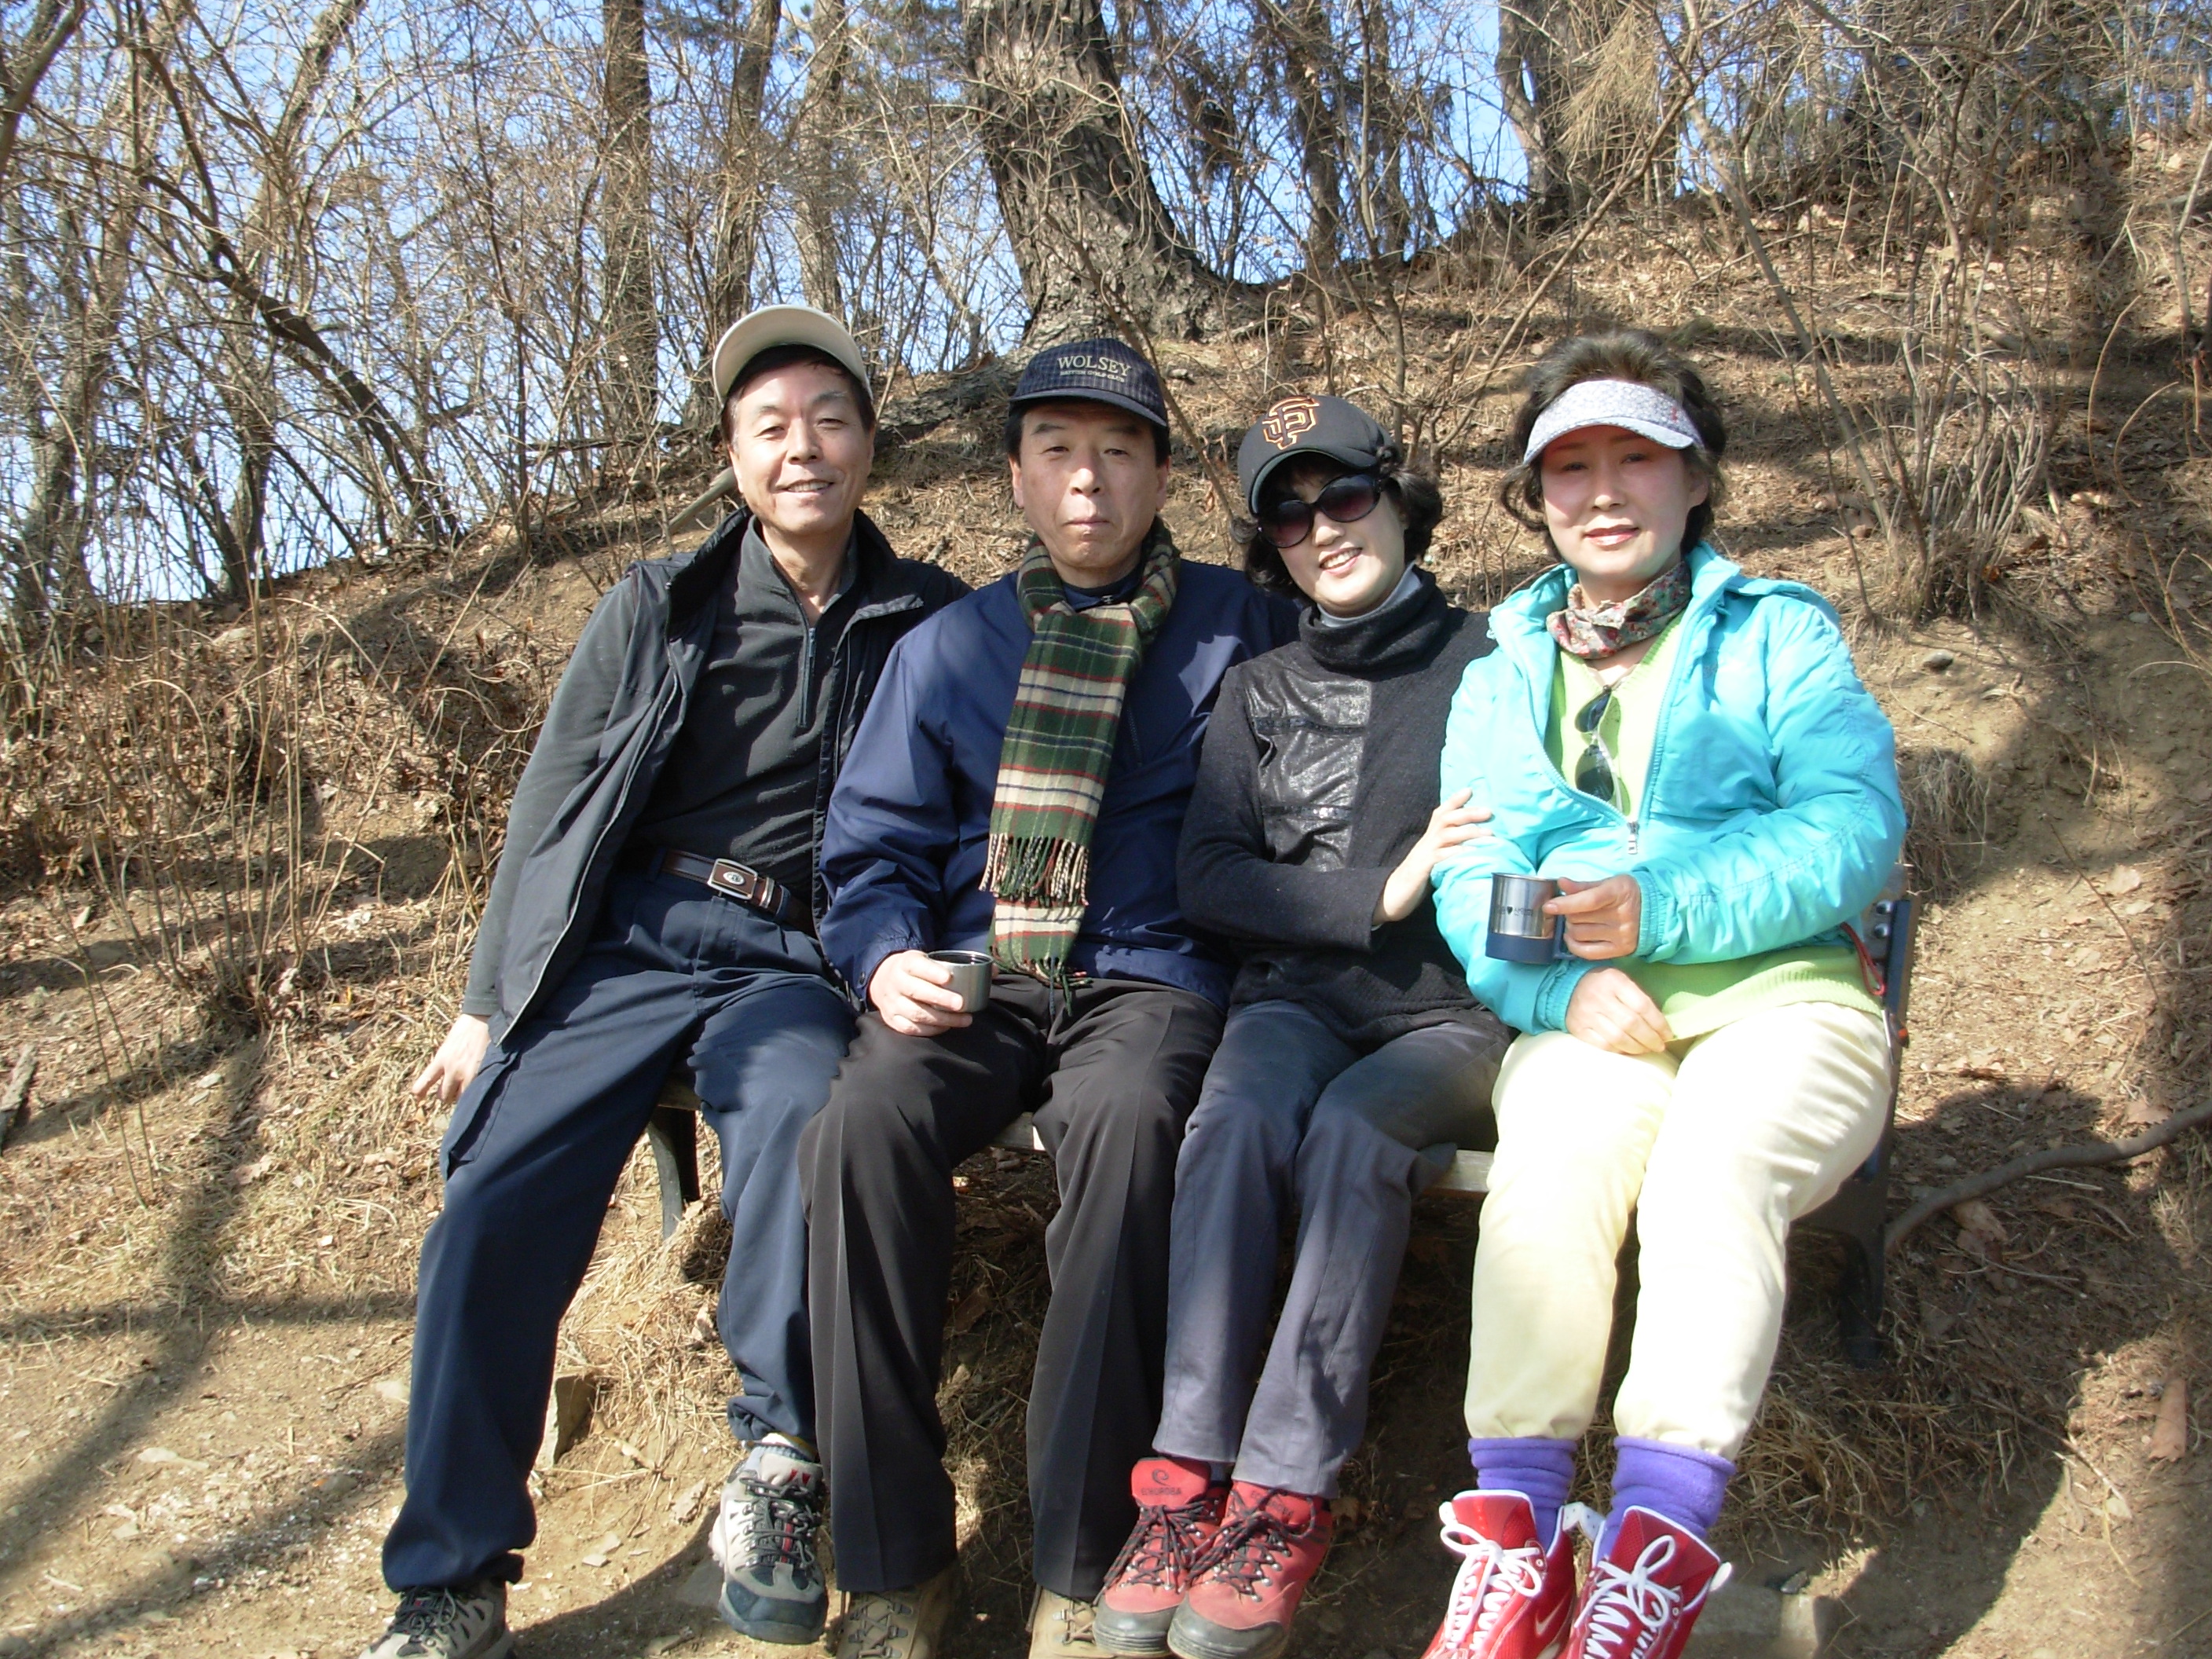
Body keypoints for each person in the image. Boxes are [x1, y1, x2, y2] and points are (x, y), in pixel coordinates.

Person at [357, 306, 964, 1659]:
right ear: (733, 458)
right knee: (492, 1199)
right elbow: (551, 809)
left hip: (791, 959)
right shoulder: (659, 606)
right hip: (628, 945)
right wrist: (486, 1005)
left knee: (803, 1120)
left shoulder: (928, 616)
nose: (803, 450)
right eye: (772, 428)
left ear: (871, 444)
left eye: (831, 421)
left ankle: (781, 1462)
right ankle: (451, 1580)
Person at [801, 338, 1297, 1659]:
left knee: (1129, 1129)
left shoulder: (1241, 628)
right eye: (1059, 452)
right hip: (980, 974)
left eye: (1120, 451)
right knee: (859, 1129)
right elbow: (869, 853)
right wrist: (883, 955)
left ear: (1163, 476)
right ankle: (895, 1565)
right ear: (1017, 477)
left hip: (1152, 974)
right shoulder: (950, 648)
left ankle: (1080, 1566)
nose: (1089, 481)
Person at [1415, 330, 1905, 1659]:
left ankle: (1650, 1562)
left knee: (1712, 1170)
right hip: (1595, 1010)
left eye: (1637, 457)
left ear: (1696, 479)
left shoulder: (1777, 635)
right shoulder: (1500, 673)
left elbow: (1855, 826)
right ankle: (1515, 1550)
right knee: (1547, 1172)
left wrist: (1666, 907)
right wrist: (1548, 996)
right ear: (1536, 496)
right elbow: (1473, 872)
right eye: (1569, 466)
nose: (1603, 492)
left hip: (1785, 1002)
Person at [1092, 397, 1512, 1659]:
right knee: (1231, 1122)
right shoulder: (1262, 689)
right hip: (1298, 998)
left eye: (1345, 496)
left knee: (1352, 1134)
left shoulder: (1497, 662)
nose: (1324, 528)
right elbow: (1210, 874)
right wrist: (1374, 893)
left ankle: (1284, 1498)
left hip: (1454, 1016)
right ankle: (1183, 1484)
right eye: (1289, 514)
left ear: (1399, 499)